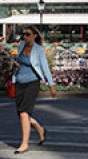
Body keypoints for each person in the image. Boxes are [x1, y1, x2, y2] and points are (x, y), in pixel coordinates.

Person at [12, 25, 57, 153]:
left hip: (32, 82)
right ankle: (39, 129)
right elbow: (18, 61)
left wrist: (51, 86)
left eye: (28, 34)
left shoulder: (39, 50)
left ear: (34, 36)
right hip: (19, 81)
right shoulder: (21, 46)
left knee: (24, 113)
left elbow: (45, 67)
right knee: (22, 114)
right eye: (24, 34)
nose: (25, 36)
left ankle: (24, 144)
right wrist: (15, 65)